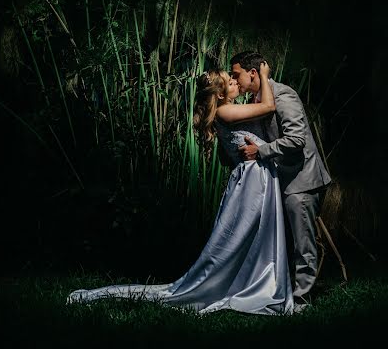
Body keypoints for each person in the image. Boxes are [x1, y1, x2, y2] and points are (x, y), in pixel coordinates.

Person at [67, 62, 294, 316]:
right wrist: (263, 75)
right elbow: (268, 107)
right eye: (230, 82)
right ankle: (244, 284)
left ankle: (254, 280)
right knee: (244, 235)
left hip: (259, 174)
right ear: (220, 95)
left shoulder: (232, 108)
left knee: (257, 235)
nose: (234, 82)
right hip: (252, 181)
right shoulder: (225, 112)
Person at [230, 51, 331, 312]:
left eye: (236, 73)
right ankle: (281, 291)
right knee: (284, 242)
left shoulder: (284, 95)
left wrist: (259, 152)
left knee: (302, 243)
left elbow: (296, 140)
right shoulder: (257, 100)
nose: (234, 79)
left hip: (302, 180)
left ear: (253, 73)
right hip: (280, 181)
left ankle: (302, 299)